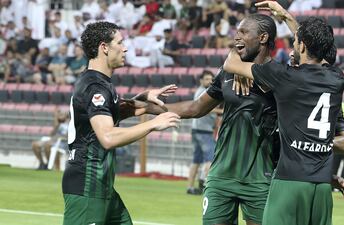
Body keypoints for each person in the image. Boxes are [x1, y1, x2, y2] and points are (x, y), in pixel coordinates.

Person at [223, 2, 344, 225]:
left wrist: (239, 44)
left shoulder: (284, 76)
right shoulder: (337, 79)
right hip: (321, 188)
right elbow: (317, 53)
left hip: (290, 182)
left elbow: (231, 64)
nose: (293, 44)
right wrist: (287, 17)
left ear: (302, 46)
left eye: (296, 41)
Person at [165, 13, 280, 225]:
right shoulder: (227, 72)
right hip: (221, 177)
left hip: (259, 179)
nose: (237, 37)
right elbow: (196, 107)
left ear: (263, 38)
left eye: (244, 32)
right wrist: (152, 108)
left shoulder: (280, 77)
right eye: (237, 31)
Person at [62, 21, 181, 225]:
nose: (125, 48)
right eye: (120, 42)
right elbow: (107, 137)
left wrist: (143, 98)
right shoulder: (95, 87)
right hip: (87, 186)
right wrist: (152, 124)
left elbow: (115, 112)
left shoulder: (101, 83)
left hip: (102, 186)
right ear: (104, 47)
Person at [187, 70, 218, 195]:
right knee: (210, 159)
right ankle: (205, 183)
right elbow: (207, 110)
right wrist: (218, 112)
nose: (209, 81)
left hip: (196, 130)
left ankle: (190, 187)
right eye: (206, 79)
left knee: (196, 160)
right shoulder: (204, 93)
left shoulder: (198, 92)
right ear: (201, 80)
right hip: (203, 131)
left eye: (211, 79)